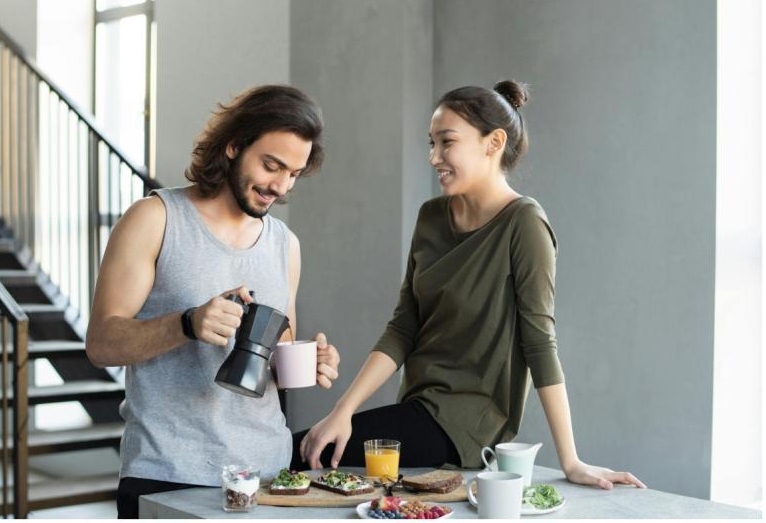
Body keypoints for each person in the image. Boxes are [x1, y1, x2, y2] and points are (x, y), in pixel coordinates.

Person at [293, 81, 645, 491]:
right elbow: (403, 328)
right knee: (310, 449)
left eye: (447, 143)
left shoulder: (524, 224)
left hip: (464, 428)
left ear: (493, 142)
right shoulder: (430, 218)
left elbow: (539, 343)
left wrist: (571, 460)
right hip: (418, 411)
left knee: (298, 451)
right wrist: (343, 411)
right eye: (431, 143)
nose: (433, 157)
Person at [86, 85, 341, 518]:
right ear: (233, 145)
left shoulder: (285, 244)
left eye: (293, 174)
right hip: (168, 474)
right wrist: (186, 324)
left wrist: (311, 360)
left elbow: (277, 354)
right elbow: (102, 343)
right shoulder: (155, 219)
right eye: (271, 165)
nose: (279, 186)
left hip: (269, 475)